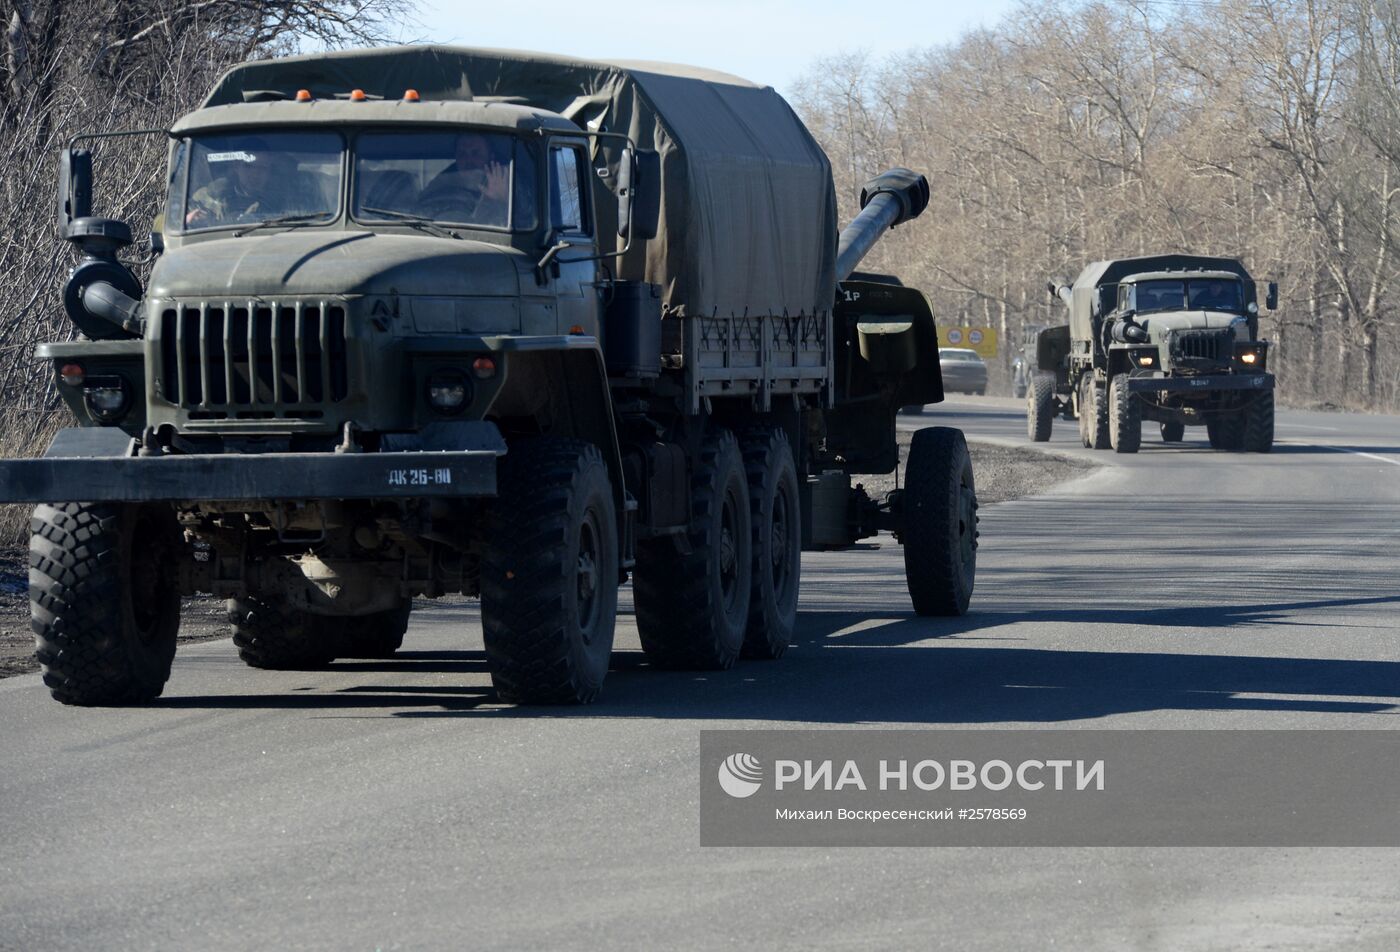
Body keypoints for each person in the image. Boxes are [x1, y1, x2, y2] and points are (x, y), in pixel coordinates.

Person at [184, 142, 312, 228]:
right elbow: (182, 225)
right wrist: (191, 220)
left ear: (269, 171)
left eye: (262, 168)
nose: (255, 174)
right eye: (249, 166)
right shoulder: (210, 197)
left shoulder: (285, 198)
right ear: (236, 167)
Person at [415, 133, 510, 225]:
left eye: (475, 153)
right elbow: (418, 216)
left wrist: (501, 200)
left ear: (490, 157)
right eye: (462, 154)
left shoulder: (509, 184)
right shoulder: (440, 187)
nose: (468, 160)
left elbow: (519, 227)